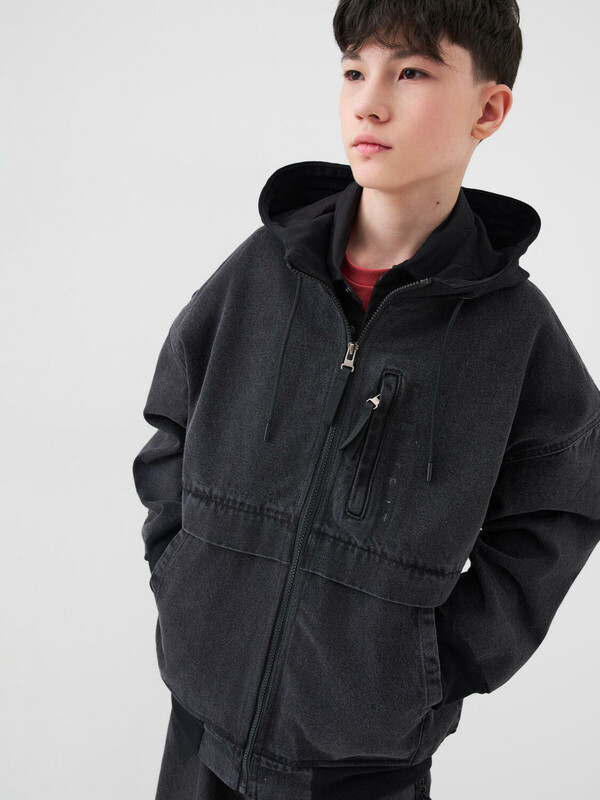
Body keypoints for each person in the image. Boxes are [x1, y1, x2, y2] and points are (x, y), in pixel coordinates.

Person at [132, 1, 600, 798]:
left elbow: (561, 505)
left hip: (365, 773)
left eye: (410, 72)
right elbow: (173, 415)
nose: (368, 102)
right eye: (355, 70)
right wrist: (185, 576)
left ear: (488, 109)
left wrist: (434, 664)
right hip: (197, 739)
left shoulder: (513, 330)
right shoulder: (264, 269)